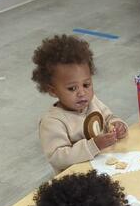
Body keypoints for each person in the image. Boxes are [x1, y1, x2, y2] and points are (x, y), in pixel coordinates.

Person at [32, 34, 128, 174]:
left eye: (86, 84)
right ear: (53, 91)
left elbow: (108, 118)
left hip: (105, 166)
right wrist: (93, 145)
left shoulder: (92, 101)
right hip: (77, 179)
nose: (82, 93)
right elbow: (57, 157)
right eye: (72, 88)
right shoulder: (52, 121)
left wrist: (118, 125)